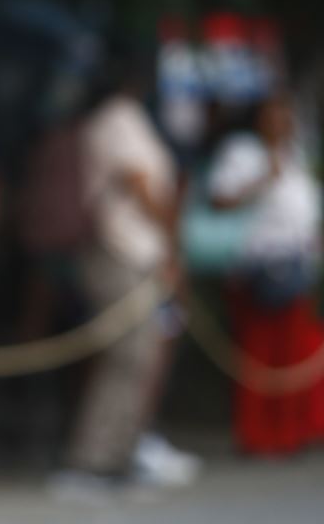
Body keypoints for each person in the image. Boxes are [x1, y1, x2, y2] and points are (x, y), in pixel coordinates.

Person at [53, 54, 196, 496]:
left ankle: (118, 454)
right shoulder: (116, 119)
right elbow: (138, 183)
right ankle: (92, 460)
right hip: (121, 251)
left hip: (138, 255)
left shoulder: (125, 119)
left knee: (138, 359)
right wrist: (172, 237)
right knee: (129, 358)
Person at [208, 91, 324, 455]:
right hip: (259, 267)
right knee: (261, 355)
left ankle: (294, 430)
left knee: (297, 352)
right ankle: (259, 434)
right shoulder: (241, 153)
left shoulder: (297, 154)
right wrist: (260, 181)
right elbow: (219, 200)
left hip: (297, 264)